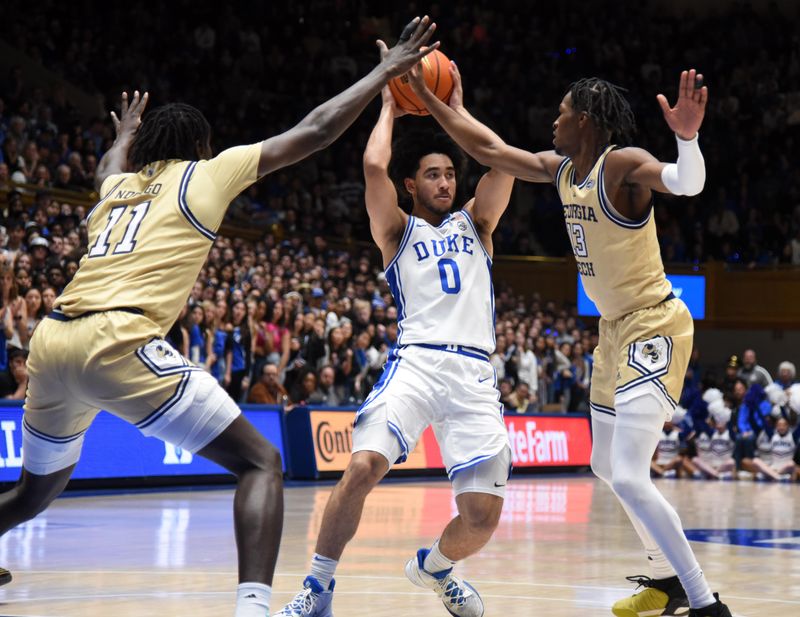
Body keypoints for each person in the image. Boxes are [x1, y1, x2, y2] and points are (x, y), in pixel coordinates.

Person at [0, 18, 439, 616]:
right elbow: (313, 130)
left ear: (145, 151)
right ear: (201, 147)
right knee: (260, 462)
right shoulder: (208, 173)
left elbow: (105, 166)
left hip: (51, 343)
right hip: (118, 338)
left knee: (31, 494)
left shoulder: (117, 187)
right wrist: (381, 74)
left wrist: (125, 134)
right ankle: (253, 609)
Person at [411, 64, 730, 616]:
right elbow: (489, 149)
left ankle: (704, 601)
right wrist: (442, 104)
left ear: (583, 119)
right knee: (605, 466)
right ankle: (666, 578)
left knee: (629, 472)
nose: (552, 121)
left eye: (560, 112)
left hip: (653, 323)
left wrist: (687, 138)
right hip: (612, 333)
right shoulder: (560, 170)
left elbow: (687, 182)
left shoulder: (622, 165)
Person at [275, 48, 514, 617]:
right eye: (433, 174)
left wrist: (453, 107)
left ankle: (433, 567)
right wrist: (388, 100)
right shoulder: (397, 231)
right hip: (419, 361)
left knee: (482, 517)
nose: (446, 182)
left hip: (476, 373)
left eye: (451, 173)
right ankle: (317, 588)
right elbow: (373, 169)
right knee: (360, 467)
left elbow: (503, 162)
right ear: (412, 185)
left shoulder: (477, 224)